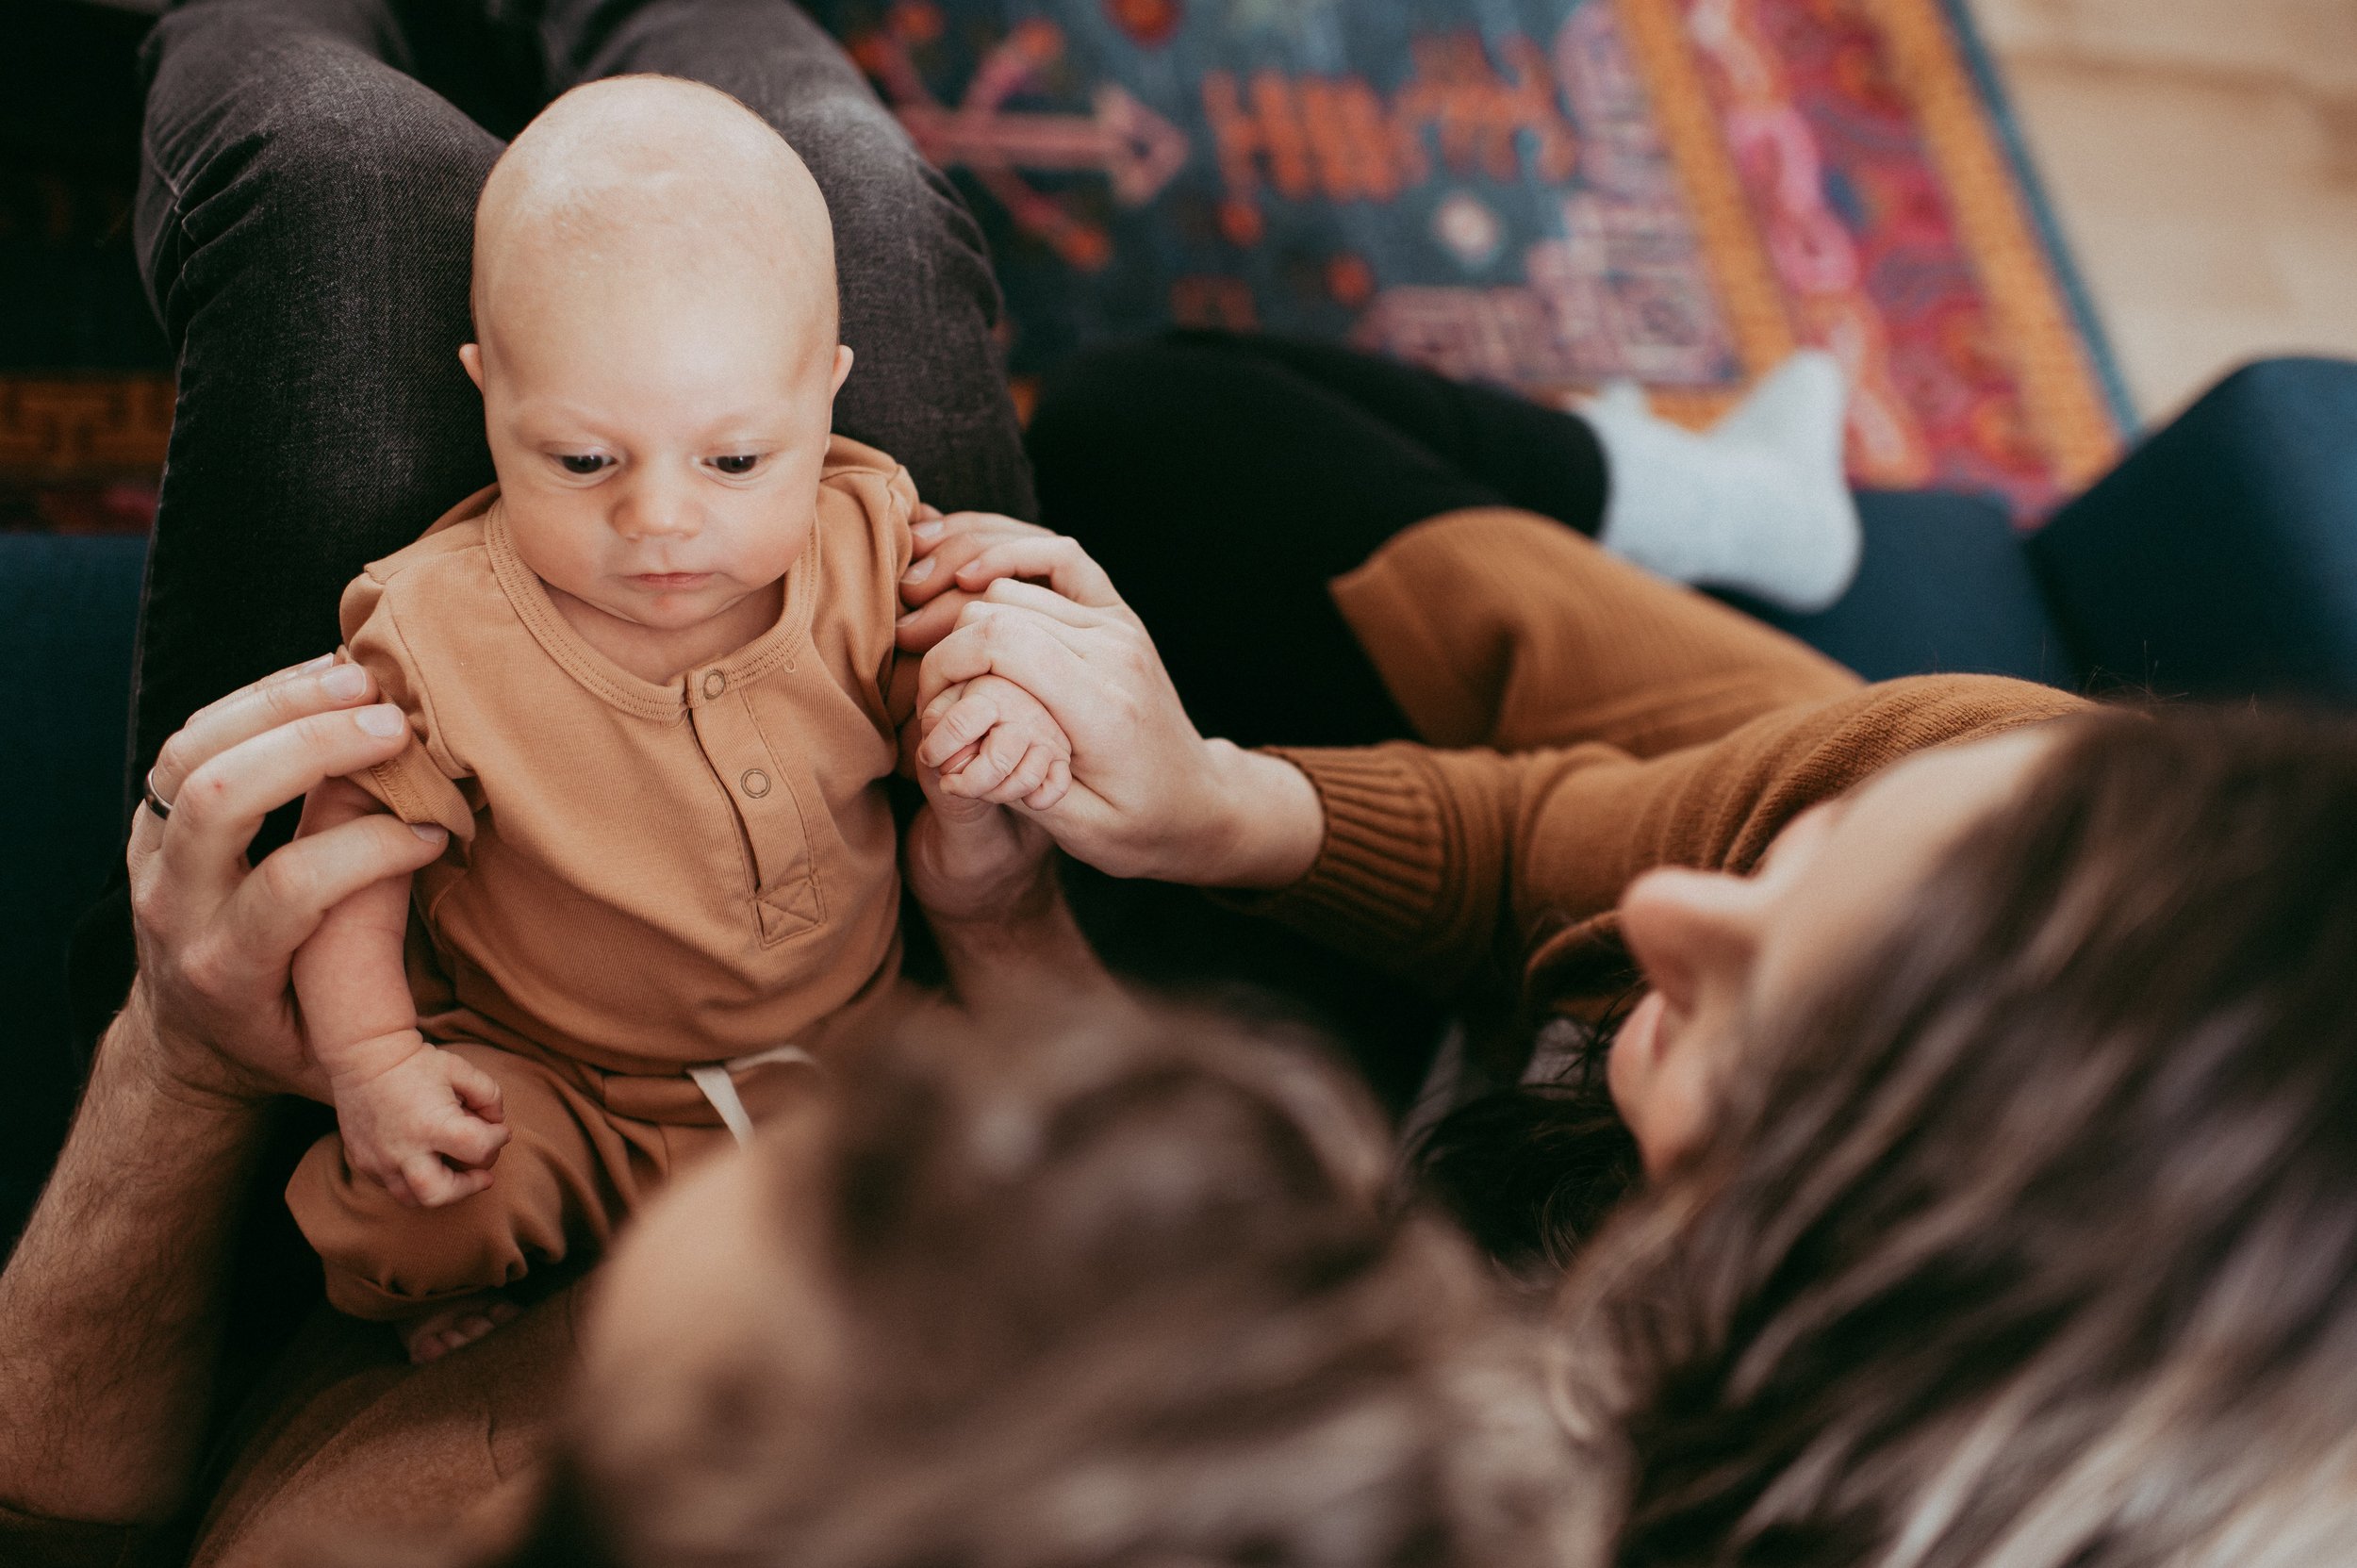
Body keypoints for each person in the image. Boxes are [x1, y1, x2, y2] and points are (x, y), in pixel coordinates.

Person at [283, 75, 1065, 1361]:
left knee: (1038, 1150)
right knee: (411, 1212)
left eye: (736, 459)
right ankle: (481, 1291)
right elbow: (345, 845)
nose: (659, 518)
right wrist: (374, 1060)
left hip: (848, 1050)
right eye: (583, 461)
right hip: (560, 1084)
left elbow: (959, 685)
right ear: (486, 394)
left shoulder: (870, 541)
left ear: (826, 394)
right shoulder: (433, 625)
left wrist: (1003, 728)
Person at [1552, 706, 2357, 1567]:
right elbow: (1512, 821)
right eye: (1828, 832)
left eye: (1759, 1054)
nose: (1657, 904)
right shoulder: (1986, 790)